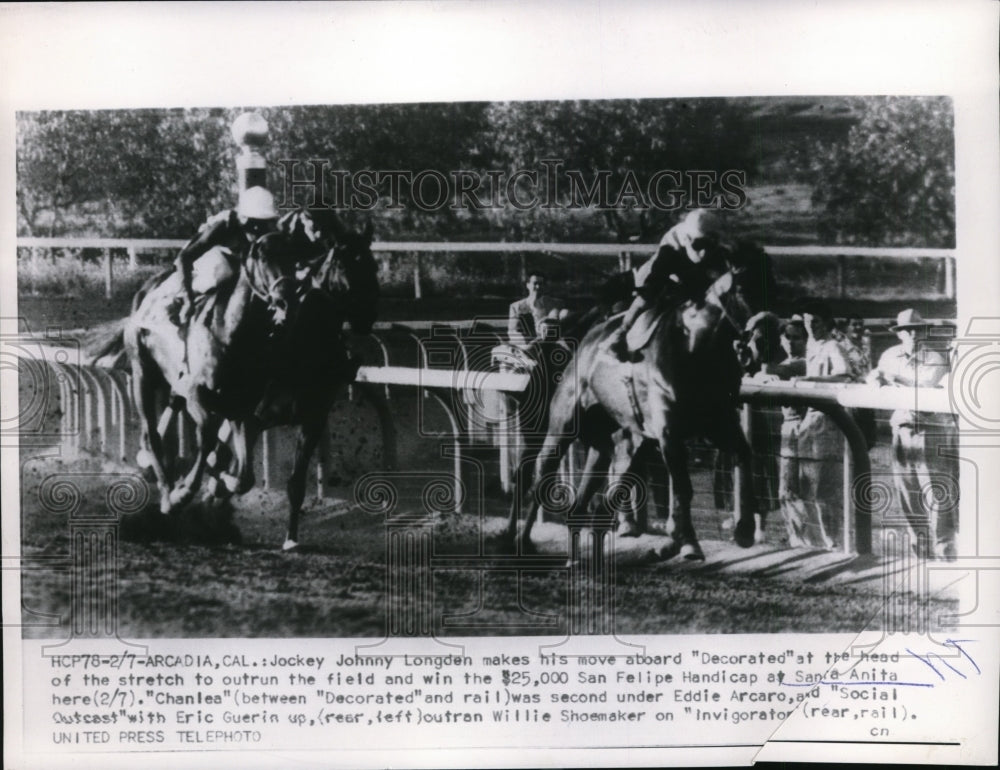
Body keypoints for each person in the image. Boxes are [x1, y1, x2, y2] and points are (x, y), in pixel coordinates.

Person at [868, 308, 957, 561]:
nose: (912, 334)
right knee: (906, 490)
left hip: (929, 430)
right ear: (899, 333)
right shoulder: (889, 356)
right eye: (906, 330)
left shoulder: (935, 358)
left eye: (917, 329)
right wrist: (876, 379)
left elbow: (925, 391)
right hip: (902, 428)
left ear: (924, 331)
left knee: (936, 493)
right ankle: (921, 550)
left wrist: (895, 379)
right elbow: (874, 377)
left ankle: (944, 549)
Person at [605, 208, 730, 362]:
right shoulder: (670, 250)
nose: (703, 252)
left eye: (709, 246)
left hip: (692, 273)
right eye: (698, 245)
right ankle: (619, 334)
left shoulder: (721, 247)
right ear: (687, 239)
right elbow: (653, 284)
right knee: (647, 297)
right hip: (665, 272)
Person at [781, 301, 857, 549]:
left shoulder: (833, 346)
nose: (810, 327)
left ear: (826, 322)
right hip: (809, 423)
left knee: (825, 489)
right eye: (807, 322)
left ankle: (834, 542)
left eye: (815, 322)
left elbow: (845, 374)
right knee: (806, 488)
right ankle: (811, 542)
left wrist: (811, 379)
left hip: (828, 422)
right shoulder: (813, 348)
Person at [170, 186, 279, 327]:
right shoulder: (224, 227)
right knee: (223, 270)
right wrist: (187, 297)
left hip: (235, 257)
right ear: (244, 218)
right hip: (208, 256)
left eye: (265, 222)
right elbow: (184, 258)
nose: (259, 229)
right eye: (255, 222)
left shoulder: (267, 229)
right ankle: (177, 302)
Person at [507, 272, 567, 350]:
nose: (538, 287)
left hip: (550, 345)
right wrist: (526, 343)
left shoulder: (555, 303)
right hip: (526, 346)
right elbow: (513, 332)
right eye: (535, 283)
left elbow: (555, 321)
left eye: (541, 284)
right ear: (527, 285)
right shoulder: (516, 306)